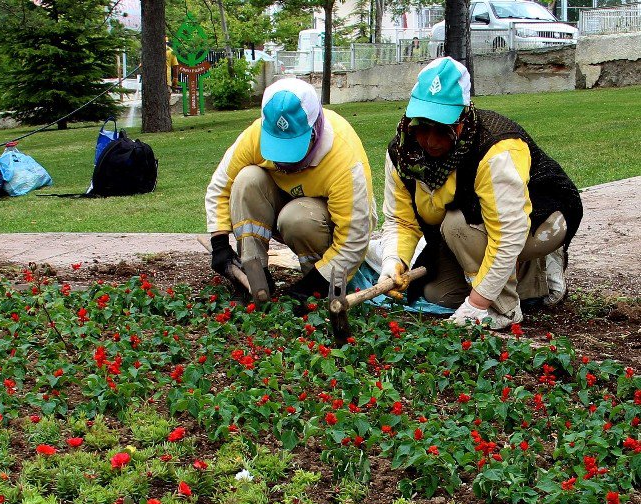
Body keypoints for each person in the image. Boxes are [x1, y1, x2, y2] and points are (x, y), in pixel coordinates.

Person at [379, 57, 581, 328]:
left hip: (543, 219)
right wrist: (393, 263)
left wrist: (477, 305)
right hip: (474, 227)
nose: (430, 140)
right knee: (437, 295)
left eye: (442, 129)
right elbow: (400, 220)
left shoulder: (496, 148)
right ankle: (525, 281)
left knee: (457, 225)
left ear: (462, 118)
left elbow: (508, 234)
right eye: (422, 127)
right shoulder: (402, 154)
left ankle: (508, 306)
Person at [205, 78, 376, 304]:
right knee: (246, 180)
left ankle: (317, 281)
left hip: (318, 223)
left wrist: (315, 284)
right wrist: (219, 244)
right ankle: (256, 277)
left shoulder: (344, 159)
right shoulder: (255, 135)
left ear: (315, 129)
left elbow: (354, 238)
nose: (284, 162)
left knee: (297, 218)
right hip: (281, 203)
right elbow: (220, 185)